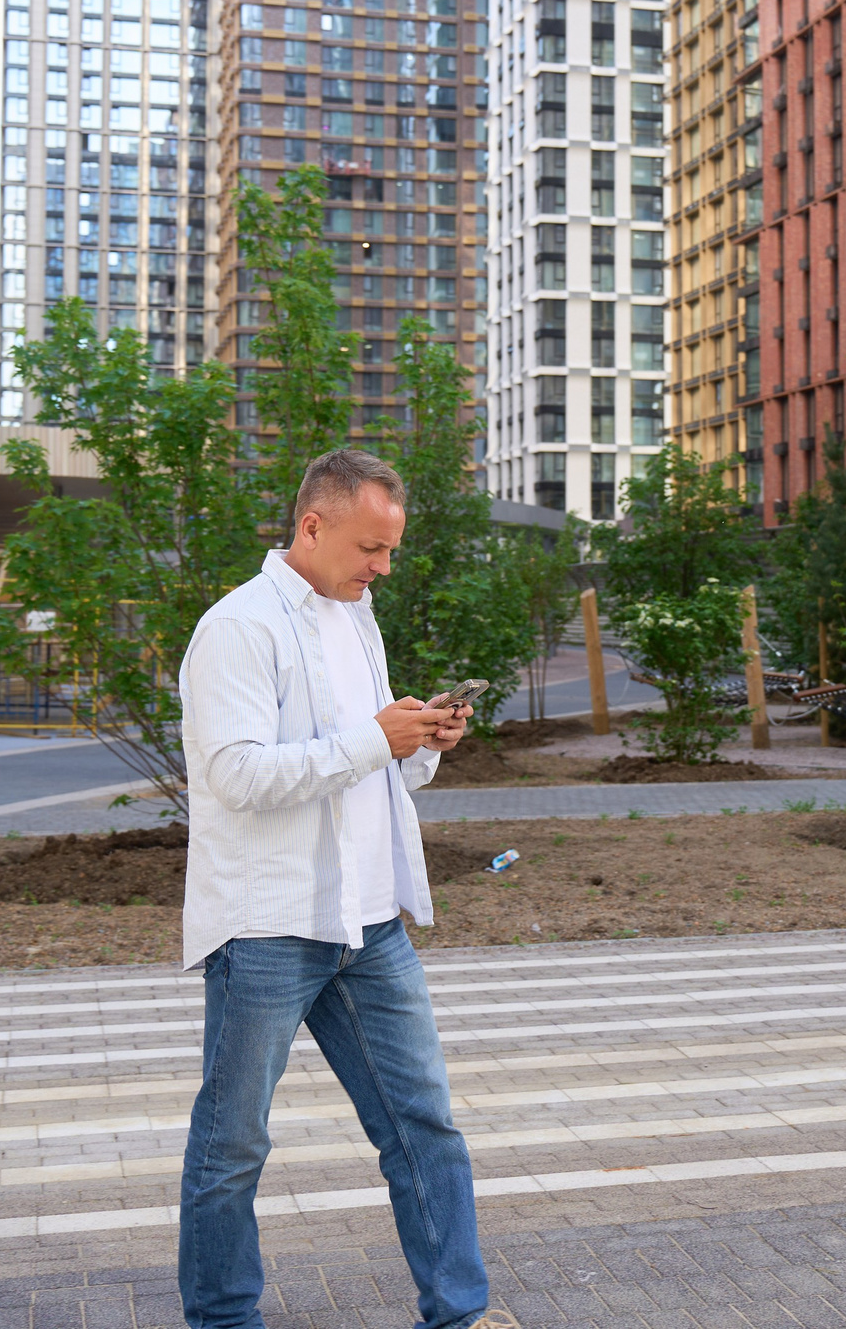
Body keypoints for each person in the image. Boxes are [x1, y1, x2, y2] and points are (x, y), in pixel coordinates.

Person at [176, 448, 514, 1329]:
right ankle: (222, 1319)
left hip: (371, 921)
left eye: (391, 550)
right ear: (313, 524)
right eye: (372, 547)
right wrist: (375, 737)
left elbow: (378, 770)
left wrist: (423, 739)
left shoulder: (357, 617)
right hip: (269, 926)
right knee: (233, 1146)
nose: (383, 568)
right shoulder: (238, 628)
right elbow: (240, 776)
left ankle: (460, 1313)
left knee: (423, 1127)